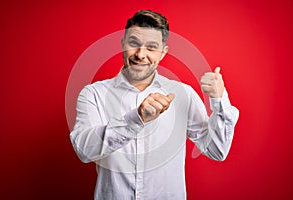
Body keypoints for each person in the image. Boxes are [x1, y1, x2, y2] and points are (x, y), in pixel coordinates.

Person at [70, 10, 239, 200]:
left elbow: (217, 150)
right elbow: (84, 151)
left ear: (163, 53)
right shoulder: (93, 94)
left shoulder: (183, 94)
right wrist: (137, 119)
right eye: (134, 43)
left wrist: (219, 100)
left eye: (151, 47)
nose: (140, 54)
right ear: (122, 44)